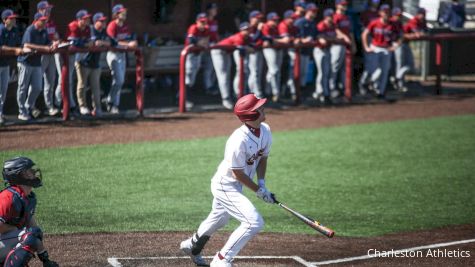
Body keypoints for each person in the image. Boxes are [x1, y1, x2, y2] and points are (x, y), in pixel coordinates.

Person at [180, 93, 275, 267]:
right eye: (259, 108)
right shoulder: (238, 140)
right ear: (251, 115)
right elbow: (237, 172)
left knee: (220, 218)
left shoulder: (266, 131)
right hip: (225, 185)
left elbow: (263, 158)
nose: (263, 108)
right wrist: (258, 191)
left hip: (236, 184)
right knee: (254, 222)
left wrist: (262, 183)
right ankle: (222, 259)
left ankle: (191, 246)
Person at [1, 156, 59, 266]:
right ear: (17, 175)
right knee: (28, 235)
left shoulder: (28, 198)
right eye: (28, 171)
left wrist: (45, 260)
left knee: (34, 232)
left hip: (4, 242)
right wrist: (15, 229)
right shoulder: (7, 198)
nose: (33, 172)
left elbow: (35, 232)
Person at [17, 13, 58, 121]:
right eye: (42, 20)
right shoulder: (30, 30)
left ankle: (27, 106)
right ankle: (22, 111)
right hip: (25, 62)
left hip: (36, 63)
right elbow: (26, 44)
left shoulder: (44, 30)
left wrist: (53, 44)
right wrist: (44, 48)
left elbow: (48, 43)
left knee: (37, 87)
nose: (45, 22)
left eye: (45, 20)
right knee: (22, 88)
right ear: (36, 21)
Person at [77, 12, 113, 117]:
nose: (104, 22)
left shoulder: (103, 32)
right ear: (95, 22)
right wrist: (95, 42)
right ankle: (82, 107)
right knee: (82, 86)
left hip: (95, 63)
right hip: (84, 61)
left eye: (104, 21)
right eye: (101, 21)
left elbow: (111, 42)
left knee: (96, 88)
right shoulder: (90, 30)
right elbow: (85, 42)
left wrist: (101, 42)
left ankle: (97, 109)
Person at [361, 4, 400, 99]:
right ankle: (369, 83)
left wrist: (396, 45)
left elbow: (400, 36)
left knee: (385, 72)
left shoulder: (393, 24)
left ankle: (380, 92)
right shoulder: (374, 22)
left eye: (388, 12)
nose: (386, 13)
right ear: (380, 13)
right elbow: (364, 34)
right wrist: (366, 47)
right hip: (375, 48)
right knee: (375, 70)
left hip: (386, 48)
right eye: (384, 12)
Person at [211, 22, 253, 110]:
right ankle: (225, 99)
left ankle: (236, 96)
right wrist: (248, 48)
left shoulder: (247, 37)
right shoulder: (239, 37)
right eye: (245, 29)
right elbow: (242, 50)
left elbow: (253, 46)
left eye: (248, 29)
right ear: (241, 30)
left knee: (228, 75)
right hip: (218, 51)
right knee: (223, 76)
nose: (247, 31)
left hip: (226, 53)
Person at [106, 4, 137, 114]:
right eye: (121, 12)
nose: (124, 14)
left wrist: (133, 42)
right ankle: (110, 101)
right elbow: (113, 42)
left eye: (124, 12)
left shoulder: (126, 26)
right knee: (119, 80)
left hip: (123, 55)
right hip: (113, 54)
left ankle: (114, 105)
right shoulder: (112, 26)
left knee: (119, 81)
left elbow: (130, 38)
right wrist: (129, 45)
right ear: (116, 14)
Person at [0, 9, 23, 125]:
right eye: (11, 18)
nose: (14, 20)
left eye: (14, 18)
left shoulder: (15, 30)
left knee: (3, 92)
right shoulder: (1, 30)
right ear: (5, 20)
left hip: (6, 64)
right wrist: (15, 50)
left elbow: (18, 44)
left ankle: (0, 114)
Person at [36, 1, 60, 117]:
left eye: (49, 9)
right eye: (46, 9)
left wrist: (56, 41)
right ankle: (32, 107)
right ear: (39, 11)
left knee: (50, 82)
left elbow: (55, 36)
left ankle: (49, 106)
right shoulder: (37, 24)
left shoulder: (51, 23)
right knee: (36, 83)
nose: (48, 11)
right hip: (40, 56)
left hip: (51, 55)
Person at [68, 10, 93, 116]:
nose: (87, 20)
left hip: (81, 57)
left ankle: (77, 105)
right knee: (68, 82)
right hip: (68, 57)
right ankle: (67, 105)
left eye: (88, 18)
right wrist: (85, 44)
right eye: (85, 18)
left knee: (81, 82)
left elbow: (90, 41)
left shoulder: (88, 28)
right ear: (79, 20)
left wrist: (85, 43)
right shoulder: (73, 26)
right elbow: (73, 42)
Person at [397, 8, 427, 92]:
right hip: (399, 44)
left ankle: (398, 77)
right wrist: (420, 33)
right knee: (399, 64)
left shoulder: (423, 21)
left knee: (411, 66)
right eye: (422, 14)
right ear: (418, 14)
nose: (423, 16)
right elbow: (417, 34)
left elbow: (425, 31)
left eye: (424, 14)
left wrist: (422, 33)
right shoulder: (414, 20)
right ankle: (399, 83)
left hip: (406, 44)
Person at [184, 13, 210, 107]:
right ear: (197, 21)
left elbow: (206, 42)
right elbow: (191, 41)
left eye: (205, 22)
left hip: (198, 55)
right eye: (201, 22)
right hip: (189, 55)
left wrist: (200, 43)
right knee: (188, 77)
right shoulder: (193, 27)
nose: (203, 24)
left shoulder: (206, 29)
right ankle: (184, 99)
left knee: (192, 79)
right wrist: (200, 43)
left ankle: (183, 97)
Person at [331, 0, 354, 97]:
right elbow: (335, 29)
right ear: (337, 5)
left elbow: (350, 31)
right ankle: (331, 88)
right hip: (337, 44)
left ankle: (345, 89)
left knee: (345, 68)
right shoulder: (334, 16)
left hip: (346, 45)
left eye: (345, 4)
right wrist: (344, 37)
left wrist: (353, 44)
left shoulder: (346, 17)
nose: (344, 6)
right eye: (342, 4)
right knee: (334, 67)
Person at [262, 12, 285, 102]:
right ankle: (276, 93)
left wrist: (278, 41)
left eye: (277, 20)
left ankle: (268, 91)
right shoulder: (266, 26)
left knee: (275, 71)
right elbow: (269, 40)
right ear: (269, 20)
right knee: (274, 70)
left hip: (278, 49)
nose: (276, 22)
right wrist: (281, 40)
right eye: (274, 20)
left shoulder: (277, 27)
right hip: (269, 49)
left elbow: (283, 38)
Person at [294, 3, 318, 88]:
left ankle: (301, 91)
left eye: (315, 11)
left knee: (304, 72)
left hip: (307, 51)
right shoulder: (300, 22)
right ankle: (294, 92)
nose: (314, 13)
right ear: (307, 11)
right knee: (296, 73)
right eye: (313, 11)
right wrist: (303, 40)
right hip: (297, 52)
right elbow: (294, 36)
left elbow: (316, 36)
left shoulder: (313, 23)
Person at [278, 10, 300, 101]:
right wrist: (294, 39)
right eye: (291, 18)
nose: (293, 20)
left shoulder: (294, 26)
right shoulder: (282, 25)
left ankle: (290, 92)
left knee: (290, 71)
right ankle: (275, 94)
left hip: (286, 53)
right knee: (278, 72)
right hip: (279, 52)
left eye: (294, 18)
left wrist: (297, 39)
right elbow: (286, 39)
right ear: (286, 18)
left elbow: (299, 36)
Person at [247, 10, 265, 98]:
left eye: (260, 18)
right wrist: (259, 30)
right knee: (254, 72)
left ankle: (255, 92)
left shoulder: (257, 28)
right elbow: (252, 40)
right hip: (250, 52)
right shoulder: (248, 27)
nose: (259, 20)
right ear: (251, 18)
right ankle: (255, 93)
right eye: (257, 18)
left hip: (257, 51)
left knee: (257, 72)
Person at [203, 3, 219, 96]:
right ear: (209, 10)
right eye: (213, 9)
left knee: (213, 68)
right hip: (206, 47)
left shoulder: (214, 21)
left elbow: (215, 35)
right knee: (208, 68)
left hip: (214, 46)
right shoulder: (205, 21)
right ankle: (208, 86)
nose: (215, 10)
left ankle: (211, 85)